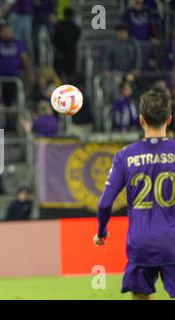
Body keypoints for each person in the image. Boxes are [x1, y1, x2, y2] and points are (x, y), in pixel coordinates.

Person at [94, 88, 175, 299]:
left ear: (141, 120)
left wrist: (101, 231)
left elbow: (104, 203)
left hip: (141, 245)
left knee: (140, 297)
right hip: (173, 242)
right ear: (169, 118)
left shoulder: (125, 156)